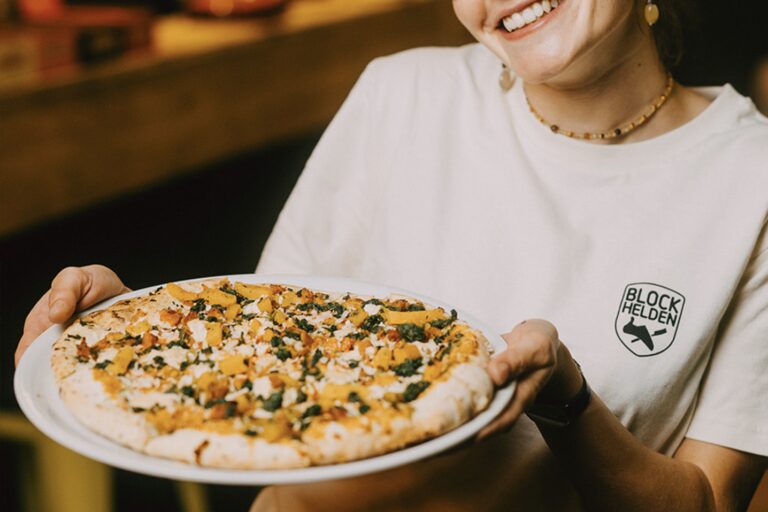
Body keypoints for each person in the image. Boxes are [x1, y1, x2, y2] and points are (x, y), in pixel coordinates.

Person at [16, 0, 768, 510]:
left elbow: (703, 498)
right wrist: (135, 336)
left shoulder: (751, 179)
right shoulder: (400, 93)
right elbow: (264, 353)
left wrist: (567, 400)